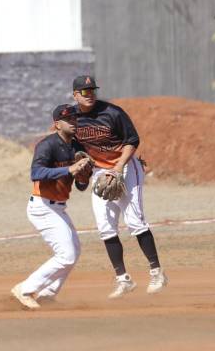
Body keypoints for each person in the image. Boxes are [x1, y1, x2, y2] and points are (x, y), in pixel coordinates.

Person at [71, 75, 167, 299]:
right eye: (85, 92)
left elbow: (132, 141)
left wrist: (119, 167)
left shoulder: (112, 112)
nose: (90, 95)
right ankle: (123, 280)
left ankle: (157, 273)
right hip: (99, 172)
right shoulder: (73, 117)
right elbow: (74, 149)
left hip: (124, 166)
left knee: (135, 221)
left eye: (93, 90)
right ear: (75, 95)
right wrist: (82, 170)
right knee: (105, 227)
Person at [11, 104, 93, 310]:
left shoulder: (77, 147)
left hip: (58, 207)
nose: (74, 122)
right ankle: (25, 290)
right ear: (57, 124)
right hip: (42, 206)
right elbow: (36, 173)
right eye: (69, 119)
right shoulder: (47, 145)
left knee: (74, 251)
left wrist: (84, 176)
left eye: (75, 118)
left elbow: (81, 185)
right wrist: (69, 169)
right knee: (67, 255)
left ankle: (47, 294)